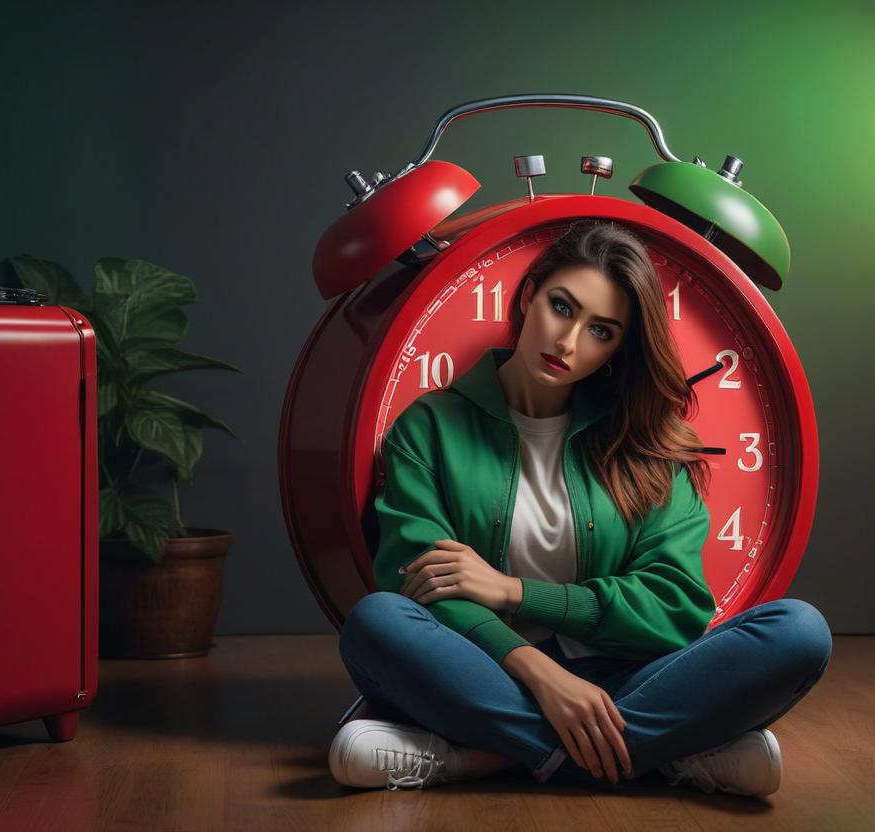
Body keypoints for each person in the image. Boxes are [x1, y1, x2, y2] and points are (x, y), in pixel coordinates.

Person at [331, 221, 832, 801]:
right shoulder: (431, 428)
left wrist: (514, 591)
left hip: (628, 677)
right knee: (376, 622)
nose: (568, 342)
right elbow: (419, 582)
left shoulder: (648, 444)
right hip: (490, 671)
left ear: (619, 346)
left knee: (799, 631)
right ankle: (666, 757)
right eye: (561, 307)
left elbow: (675, 608)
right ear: (528, 295)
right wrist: (540, 672)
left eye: (600, 330)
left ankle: (478, 758)